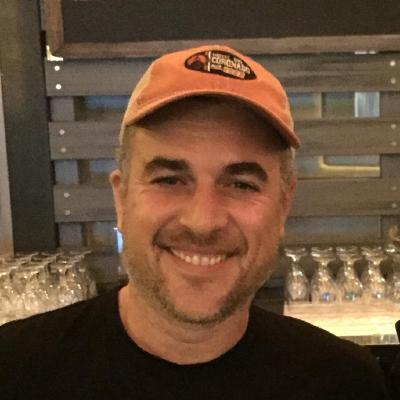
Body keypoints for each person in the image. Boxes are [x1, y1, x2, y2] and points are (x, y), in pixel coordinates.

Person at [0, 45, 390, 399]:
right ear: (121, 199)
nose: (203, 221)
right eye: (169, 180)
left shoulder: (343, 382)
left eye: (241, 184)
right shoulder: (15, 370)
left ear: (283, 206)